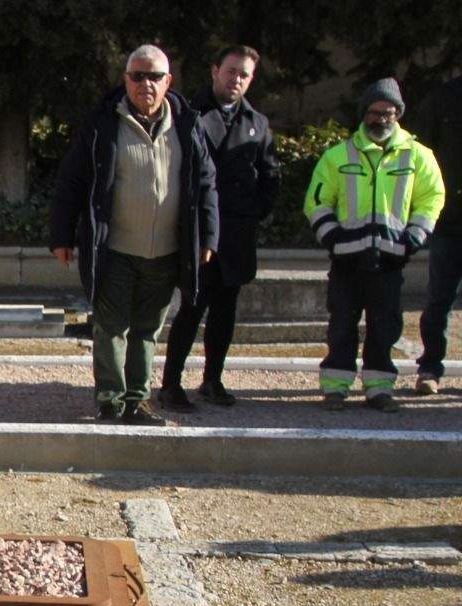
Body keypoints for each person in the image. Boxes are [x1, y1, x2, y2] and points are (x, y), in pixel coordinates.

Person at [50, 44, 219, 425]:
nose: (146, 83)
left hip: (165, 250)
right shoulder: (102, 123)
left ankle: (137, 400)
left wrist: (208, 236)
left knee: (147, 329)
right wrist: (61, 235)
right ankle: (109, 400)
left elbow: (206, 184)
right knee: (110, 327)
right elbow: (72, 180)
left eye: (154, 76)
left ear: (168, 81)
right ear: (125, 79)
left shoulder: (189, 125)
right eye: (137, 75)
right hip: (115, 247)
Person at [304, 78, 445, 412]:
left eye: (389, 112)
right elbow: (317, 201)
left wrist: (414, 237)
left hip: (391, 259)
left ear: (398, 114)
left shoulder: (418, 156)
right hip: (346, 260)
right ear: (363, 113)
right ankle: (335, 387)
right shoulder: (338, 155)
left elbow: (432, 198)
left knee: (385, 327)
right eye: (374, 111)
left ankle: (379, 388)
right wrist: (333, 238)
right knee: (341, 325)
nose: (381, 118)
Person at [158, 45, 281, 411]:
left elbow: (270, 175)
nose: (236, 80)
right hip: (199, 231)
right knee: (192, 308)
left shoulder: (257, 123)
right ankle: (171, 384)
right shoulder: (188, 114)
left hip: (238, 233)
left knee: (226, 311)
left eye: (244, 74)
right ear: (215, 71)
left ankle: (212, 379)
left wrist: (254, 211)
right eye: (231, 71)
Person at [410, 75, 462, 394]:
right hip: (449, 221)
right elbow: (421, 156)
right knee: (438, 301)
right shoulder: (442, 98)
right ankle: (430, 368)